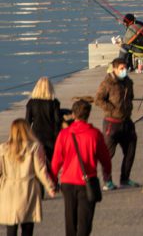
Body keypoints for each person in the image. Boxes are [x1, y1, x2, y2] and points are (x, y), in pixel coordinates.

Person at [52, 100, 111, 236]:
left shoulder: (64, 134)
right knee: (85, 222)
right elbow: (105, 158)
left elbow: (56, 161)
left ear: (73, 114)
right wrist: (107, 173)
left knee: (70, 221)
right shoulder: (94, 134)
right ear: (88, 114)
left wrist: (53, 179)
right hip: (87, 181)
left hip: (67, 181)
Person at [0, 119, 57, 236]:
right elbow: (41, 170)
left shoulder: (3, 148)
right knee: (27, 225)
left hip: (8, 189)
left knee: (11, 226)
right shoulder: (34, 147)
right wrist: (50, 186)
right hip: (27, 188)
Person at [94, 57, 137, 190]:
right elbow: (98, 99)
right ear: (115, 69)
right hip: (112, 123)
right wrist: (111, 109)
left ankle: (125, 178)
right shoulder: (107, 83)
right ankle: (107, 181)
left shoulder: (128, 82)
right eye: (121, 69)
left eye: (125, 68)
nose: (124, 71)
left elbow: (131, 97)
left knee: (130, 150)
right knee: (108, 154)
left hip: (126, 121)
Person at [24, 77, 61, 165]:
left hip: (35, 136)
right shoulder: (54, 103)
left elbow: (27, 122)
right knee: (50, 163)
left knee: (37, 163)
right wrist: (57, 138)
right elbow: (57, 122)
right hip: (50, 136)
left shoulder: (31, 103)